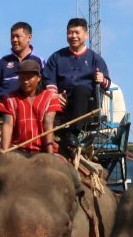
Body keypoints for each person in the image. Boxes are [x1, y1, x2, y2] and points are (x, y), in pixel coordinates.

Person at [0, 21, 44, 162]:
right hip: (3, 104)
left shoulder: (39, 60)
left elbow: (46, 85)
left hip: (27, 105)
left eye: (18, 36)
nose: (14, 40)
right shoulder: (2, 62)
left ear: (29, 37)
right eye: (12, 37)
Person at [41, 17, 111, 151]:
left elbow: (107, 84)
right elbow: (48, 79)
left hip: (86, 104)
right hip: (61, 102)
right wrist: (55, 96)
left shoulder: (95, 59)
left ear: (86, 34)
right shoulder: (56, 57)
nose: (73, 36)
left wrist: (102, 79)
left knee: (81, 90)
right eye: (70, 32)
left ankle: (72, 133)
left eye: (77, 32)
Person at [0, 58, 63, 156]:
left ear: (39, 77)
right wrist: (4, 151)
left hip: (42, 150)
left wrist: (50, 155)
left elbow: (48, 124)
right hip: (17, 150)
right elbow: (8, 124)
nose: (25, 82)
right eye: (22, 78)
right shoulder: (10, 99)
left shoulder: (50, 98)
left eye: (29, 78)